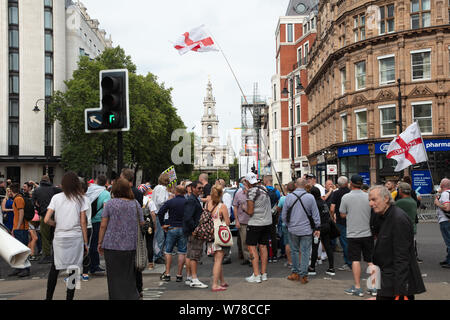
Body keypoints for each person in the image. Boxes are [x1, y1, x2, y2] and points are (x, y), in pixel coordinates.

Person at [369, 185, 426, 300]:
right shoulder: (382, 215)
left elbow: (402, 257)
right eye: (369, 200)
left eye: (374, 199)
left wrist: (400, 291)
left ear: (386, 199)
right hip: (387, 279)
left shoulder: (398, 219)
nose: (370, 203)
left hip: (396, 284)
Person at [44, 172, 89, 300]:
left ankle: (48, 297)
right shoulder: (82, 199)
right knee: (73, 269)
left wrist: (56, 223)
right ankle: (69, 297)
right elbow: (83, 222)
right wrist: (85, 242)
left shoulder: (56, 198)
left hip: (60, 237)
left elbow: (46, 219)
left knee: (55, 268)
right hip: (75, 237)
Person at [97, 178, 144, 300]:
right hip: (131, 245)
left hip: (111, 245)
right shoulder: (135, 203)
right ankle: (131, 296)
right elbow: (142, 223)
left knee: (113, 277)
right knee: (129, 275)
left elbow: (103, 225)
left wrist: (100, 242)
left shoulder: (110, 203)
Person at [340, 175, 375, 297]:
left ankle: (358, 287)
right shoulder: (368, 196)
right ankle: (374, 287)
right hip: (367, 233)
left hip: (353, 233)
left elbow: (342, 214)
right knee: (370, 260)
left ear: (351, 183)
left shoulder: (346, 197)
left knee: (355, 260)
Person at [281, 178, 320, 284]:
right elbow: (315, 214)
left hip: (293, 228)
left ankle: (295, 272)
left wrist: (288, 224)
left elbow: (284, 215)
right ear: (305, 185)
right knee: (305, 252)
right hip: (307, 229)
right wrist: (317, 227)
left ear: (295, 185)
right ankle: (303, 275)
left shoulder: (289, 197)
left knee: (294, 251)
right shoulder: (310, 197)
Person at [243, 172, 273, 283]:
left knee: (252, 247)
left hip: (255, 223)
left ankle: (256, 275)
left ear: (246, 182)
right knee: (263, 247)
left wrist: (243, 208)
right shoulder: (264, 189)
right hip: (267, 222)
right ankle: (263, 273)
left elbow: (250, 211)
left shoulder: (251, 191)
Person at [157, 185, 188, 282]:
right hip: (183, 228)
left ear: (176, 192)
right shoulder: (187, 202)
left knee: (168, 251)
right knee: (182, 252)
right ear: (184, 192)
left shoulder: (170, 202)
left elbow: (161, 212)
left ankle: (167, 273)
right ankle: (179, 275)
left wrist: (163, 224)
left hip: (172, 227)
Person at [206, 184, 231, 291]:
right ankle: (215, 284)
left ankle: (222, 281)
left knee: (217, 259)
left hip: (210, 234)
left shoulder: (208, 204)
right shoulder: (222, 206)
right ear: (221, 194)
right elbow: (228, 222)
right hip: (219, 236)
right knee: (218, 260)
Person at [183, 181, 208, 288]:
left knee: (190, 255)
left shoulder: (193, 199)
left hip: (192, 231)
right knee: (194, 255)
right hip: (194, 232)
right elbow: (188, 217)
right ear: (192, 188)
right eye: (199, 188)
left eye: (202, 188)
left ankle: (189, 277)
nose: (201, 190)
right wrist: (195, 228)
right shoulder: (192, 200)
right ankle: (194, 278)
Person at [32, 176, 62, 264]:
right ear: (49, 181)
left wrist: (39, 207)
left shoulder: (37, 190)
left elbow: (33, 202)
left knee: (45, 236)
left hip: (44, 215)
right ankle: (55, 255)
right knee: (55, 236)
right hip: (55, 215)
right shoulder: (54, 189)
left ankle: (47, 255)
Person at [86, 175, 110, 275]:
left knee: (88, 242)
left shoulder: (89, 190)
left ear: (96, 181)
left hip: (88, 219)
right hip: (99, 219)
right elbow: (106, 208)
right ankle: (94, 266)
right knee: (96, 243)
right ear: (105, 183)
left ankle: (86, 265)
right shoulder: (105, 193)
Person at [308, 186, 335, 276]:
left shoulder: (314, 203)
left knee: (315, 247)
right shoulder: (323, 202)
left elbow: (313, 216)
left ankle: (312, 267)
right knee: (328, 247)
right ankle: (331, 267)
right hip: (327, 226)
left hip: (318, 227)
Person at [8, 183, 31, 278]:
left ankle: (25, 270)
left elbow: (21, 213)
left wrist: (17, 226)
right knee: (18, 250)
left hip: (21, 229)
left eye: (9, 191)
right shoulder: (17, 198)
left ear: (11, 191)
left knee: (22, 250)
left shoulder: (18, 199)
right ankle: (19, 268)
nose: (8, 193)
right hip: (18, 228)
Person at [330, 176, 351, 271]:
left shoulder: (336, 193)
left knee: (345, 242)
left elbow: (332, 208)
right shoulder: (351, 192)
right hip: (353, 220)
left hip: (341, 221)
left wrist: (332, 217)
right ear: (347, 183)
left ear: (338, 184)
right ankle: (353, 261)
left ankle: (349, 263)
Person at [395, 182, 420, 262]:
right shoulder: (412, 201)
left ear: (401, 191)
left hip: (403, 229)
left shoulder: (401, 202)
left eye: (399, 190)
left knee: (403, 252)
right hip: (412, 228)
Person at [152, 172, 170, 264]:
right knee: (160, 236)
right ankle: (157, 255)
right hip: (160, 214)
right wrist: (169, 199)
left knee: (158, 236)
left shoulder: (156, 188)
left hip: (157, 213)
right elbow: (161, 201)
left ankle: (157, 254)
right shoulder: (162, 189)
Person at [277, 182, 296, 268]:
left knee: (287, 243)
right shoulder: (298, 197)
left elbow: (278, 209)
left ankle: (290, 261)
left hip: (286, 223)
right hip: (296, 223)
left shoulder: (283, 199)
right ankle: (298, 261)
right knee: (297, 243)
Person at [263, 175, 281, 263]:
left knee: (265, 235)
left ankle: (267, 255)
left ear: (266, 181)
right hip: (273, 215)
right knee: (273, 234)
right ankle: (274, 255)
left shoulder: (263, 191)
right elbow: (279, 203)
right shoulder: (276, 191)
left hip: (264, 215)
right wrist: (275, 210)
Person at [233, 178, 251, 265]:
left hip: (253, 221)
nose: (245, 186)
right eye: (244, 185)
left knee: (252, 241)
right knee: (244, 241)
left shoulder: (252, 193)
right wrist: (236, 220)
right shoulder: (238, 194)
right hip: (242, 221)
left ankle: (252, 258)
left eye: (246, 185)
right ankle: (247, 258)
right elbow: (235, 207)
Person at [217, 179, 233, 265]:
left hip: (223, 219)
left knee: (225, 237)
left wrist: (225, 219)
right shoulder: (219, 194)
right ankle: (221, 254)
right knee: (219, 237)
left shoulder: (226, 195)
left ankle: (227, 255)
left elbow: (227, 208)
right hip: (218, 219)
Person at [435, 178, 450, 269]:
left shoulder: (445, 194)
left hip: (445, 220)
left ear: (442, 185)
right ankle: (448, 259)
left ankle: (449, 261)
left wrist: (437, 203)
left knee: (448, 242)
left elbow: (447, 208)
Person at [80, 179, 93, 281]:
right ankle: (85, 272)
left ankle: (74, 275)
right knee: (86, 249)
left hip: (81, 227)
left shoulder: (80, 200)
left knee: (76, 251)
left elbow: (82, 218)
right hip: (88, 226)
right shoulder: (87, 199)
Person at [142, 185, 157, 270]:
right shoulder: (149, 201)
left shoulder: (136, 200)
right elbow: (153, 214)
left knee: (139, 243)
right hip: (148, 223)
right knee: (149, 243)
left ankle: (138, 260)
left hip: (139, 223)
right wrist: (154, 225)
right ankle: (150, 263)